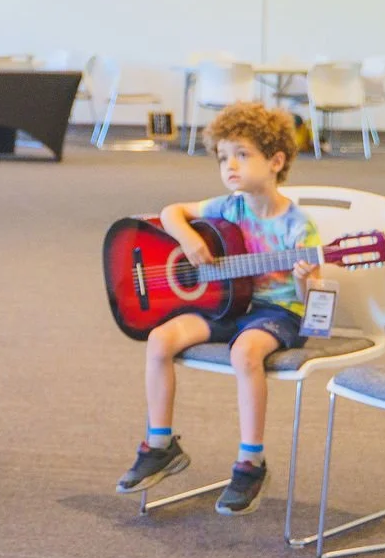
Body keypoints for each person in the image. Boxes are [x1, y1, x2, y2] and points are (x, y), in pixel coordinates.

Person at [116, 100, 322, 516]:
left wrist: (304, 279)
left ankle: (250, 462)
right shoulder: (230, 206)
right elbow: (172, 212)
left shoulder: (298, 227)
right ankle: (160, 444)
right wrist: (187, 238)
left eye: (242, 155)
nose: (230, 166)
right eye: (223, 157)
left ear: (276, 161)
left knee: (244, 352)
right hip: (229, 304)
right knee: (159, 339)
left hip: (278, 313)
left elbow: (314, 302)